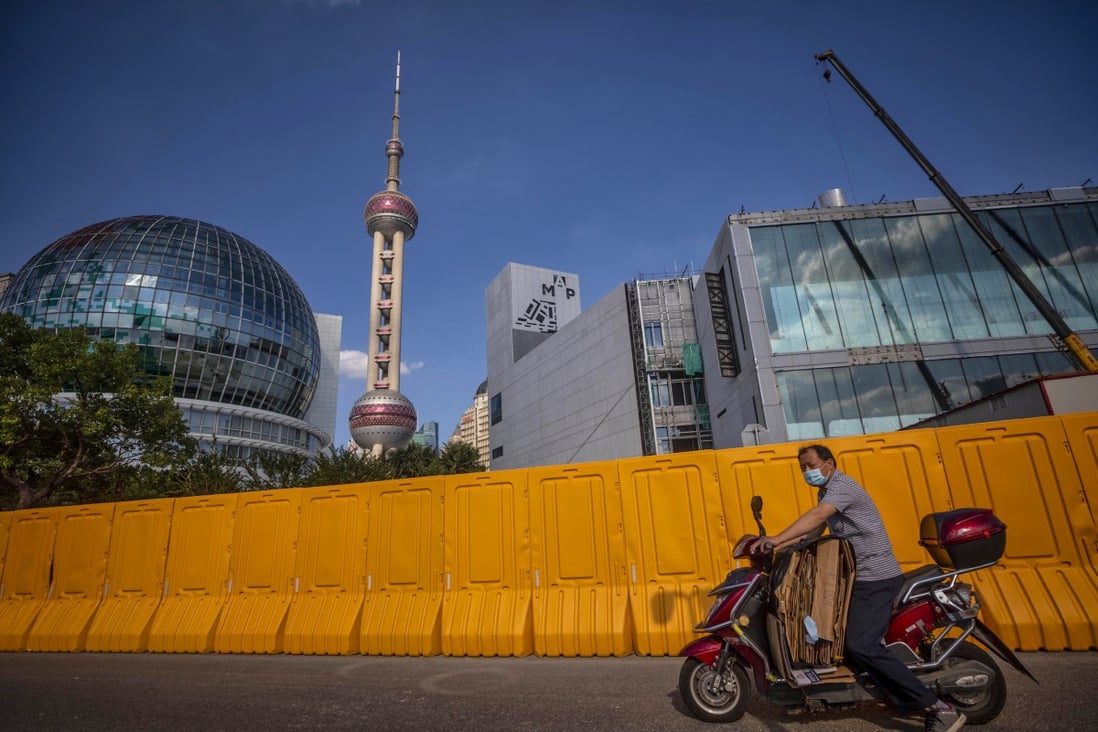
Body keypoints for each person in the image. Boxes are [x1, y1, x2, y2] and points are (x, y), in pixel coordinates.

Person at [754, 443, 966, 732]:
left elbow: (817, 517)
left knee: (861, 644)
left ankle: (938, 707)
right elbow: (815, 531)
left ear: (829, 464)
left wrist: (777, 539)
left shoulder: (843, 487)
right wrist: (779, 547)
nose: (806, 471)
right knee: (839, 639)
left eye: (811, 465)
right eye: (802, 467)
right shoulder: (826, 492)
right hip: (859, 578)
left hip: (875, 577)